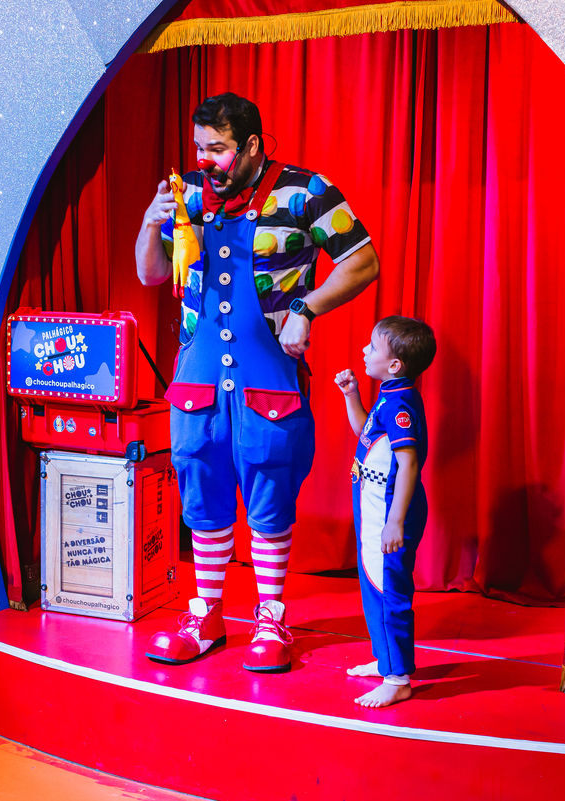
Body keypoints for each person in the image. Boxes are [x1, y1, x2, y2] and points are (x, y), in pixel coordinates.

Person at [135, 92, 380, 673]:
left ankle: (272, 616)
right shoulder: (187, 195)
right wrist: (150, 224)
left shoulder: (306, 191)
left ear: (250, 145)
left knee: (270, 495)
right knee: (203, 491)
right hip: (197, 379)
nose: (205, 160)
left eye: (217, 149)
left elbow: (363, 261)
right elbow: (150, 273)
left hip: (269, 378)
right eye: (199, 147)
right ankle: (206, 614)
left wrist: (306, 309)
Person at [333, 316, 436, 707]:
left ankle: (398, 679)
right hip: (373, 503)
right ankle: (386, 660)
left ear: (394, 365)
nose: (365, 350)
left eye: (373, 347)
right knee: (373, 585)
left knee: (390, 589)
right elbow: (367, 435)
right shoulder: (389, 394)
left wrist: (395, 521)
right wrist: (351, 395)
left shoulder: (401, 403)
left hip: (389, 509)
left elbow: (408, 464)